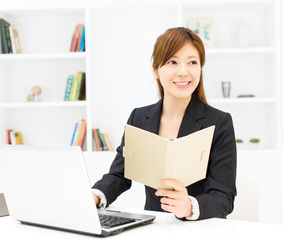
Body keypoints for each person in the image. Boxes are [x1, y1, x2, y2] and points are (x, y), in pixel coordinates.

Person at [92, 27, 237, 221]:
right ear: (156, 69)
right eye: (173, 62)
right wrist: (93, 197)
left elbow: (224, 197)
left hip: (201, 229)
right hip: (154, 227)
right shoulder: (139, 118)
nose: (183, 71)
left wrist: (189, 207)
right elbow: (119, 175)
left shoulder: (219, 122)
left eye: (192, 62)